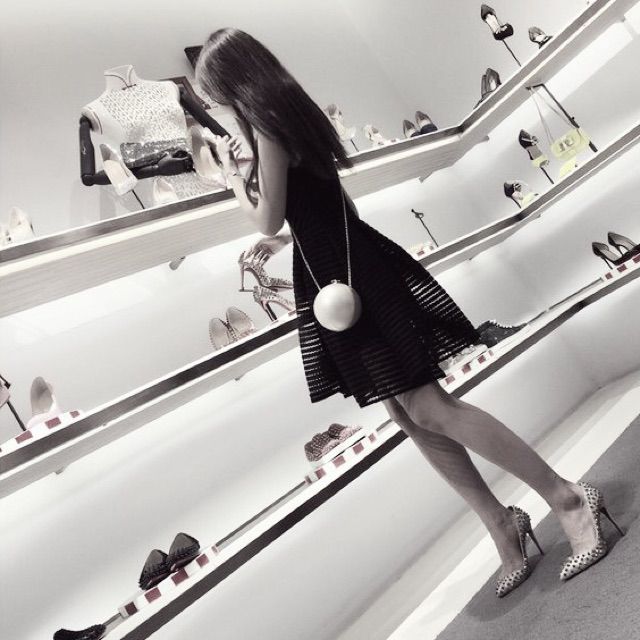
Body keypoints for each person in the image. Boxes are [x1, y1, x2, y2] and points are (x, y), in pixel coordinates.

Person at [195, 27, 620, 596]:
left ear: (232, 83)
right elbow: (328, 205)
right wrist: (299, 232)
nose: (213, 105)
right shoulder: (286, 117)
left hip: (343, 276)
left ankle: (566, 498)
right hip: (345, 268)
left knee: (429, 407)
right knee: (407, 412)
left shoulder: (267, 128)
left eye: (213, 93)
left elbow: (266, 217)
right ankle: (502, 525)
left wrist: (231, 179)